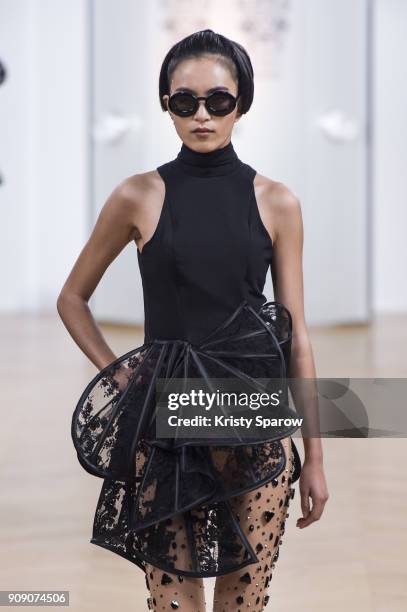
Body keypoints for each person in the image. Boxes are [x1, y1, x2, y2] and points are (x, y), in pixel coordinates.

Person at [57, 29, 329, 612]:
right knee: (173, 602)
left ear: (242, 103)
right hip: (163, 425)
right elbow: (72, 299)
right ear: (166, 105)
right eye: (185, 102)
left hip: (253, 419)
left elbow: (296, 337)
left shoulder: (277, 202)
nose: (201, 115)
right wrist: (118, 374)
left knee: (244, 600)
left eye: (218, 101)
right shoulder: (138, 195)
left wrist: (317, 457)